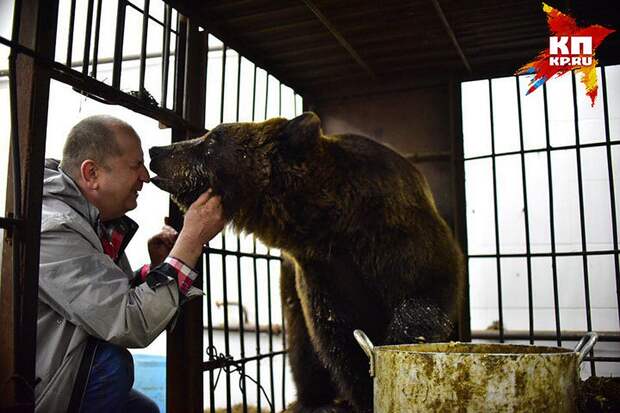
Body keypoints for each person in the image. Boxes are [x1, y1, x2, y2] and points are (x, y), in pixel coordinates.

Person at [35, 115, 226, 413]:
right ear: (92, 173)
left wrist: (155, 270)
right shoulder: (55, 228)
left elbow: (108, 297)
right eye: (136, 165)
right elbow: (128, 323)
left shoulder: (94, 220)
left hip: (70, 372)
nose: (146, 176)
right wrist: (191, 240)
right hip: (45, 394)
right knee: (113, 364)